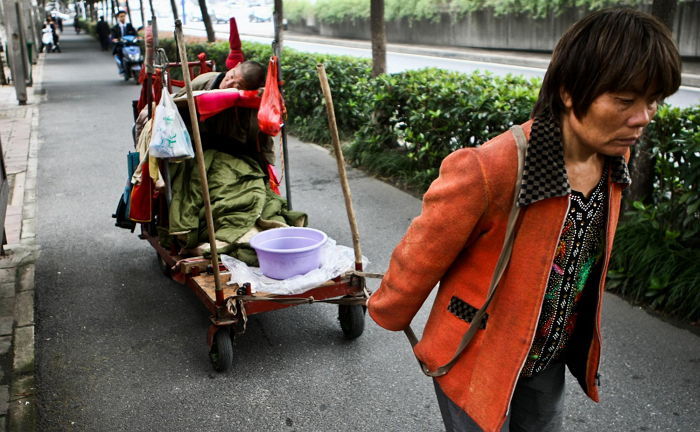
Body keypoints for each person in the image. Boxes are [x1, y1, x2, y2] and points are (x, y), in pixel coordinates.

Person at [367, 8, 681, 432]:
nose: (643, 117)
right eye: (625, 100)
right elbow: (422, 252)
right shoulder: (492, 167)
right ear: (570, 92)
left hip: (549, 355)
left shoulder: (614, 158)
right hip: (480, 351)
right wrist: (389, 309)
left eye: (653, 102)